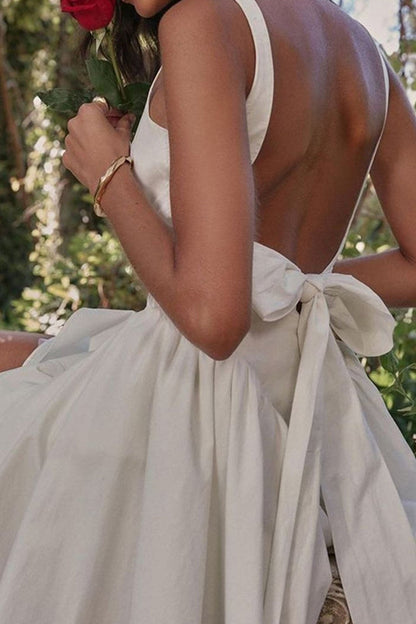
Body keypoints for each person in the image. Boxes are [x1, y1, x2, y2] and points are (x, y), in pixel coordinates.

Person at [0, 0, 415, 622]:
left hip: (197, 411)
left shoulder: (201, 23)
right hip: (303, 404)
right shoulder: (367, 57)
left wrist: (107, 172)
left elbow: (214, 321)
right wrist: (285, 286)